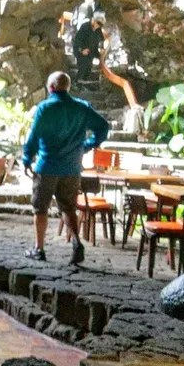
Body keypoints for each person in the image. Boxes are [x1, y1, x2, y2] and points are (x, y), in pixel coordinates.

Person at [21, 71, 110, 265]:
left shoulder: (44, 108)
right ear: (67, 87)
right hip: (71, 167)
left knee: (40, 208)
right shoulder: (82, 107)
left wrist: (27, 159)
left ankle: (39, 248)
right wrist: (86, 145)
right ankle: (77, 243)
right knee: (68, 207)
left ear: (51, 87)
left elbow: (34, 137)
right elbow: (103, 127)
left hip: (47, 167)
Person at [73, 11, 106, 84]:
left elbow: (101, 40)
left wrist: (101, 49)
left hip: (91, 51)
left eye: (100, 24)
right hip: (82, 51)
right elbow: (78, 40)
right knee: (83, 67)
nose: (98, 25)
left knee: (88, 67)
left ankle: (84, 84)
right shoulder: (85, 27)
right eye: (98, 23)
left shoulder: (98, 30)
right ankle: (76, 83)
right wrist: (81, 50)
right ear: (94, 20)